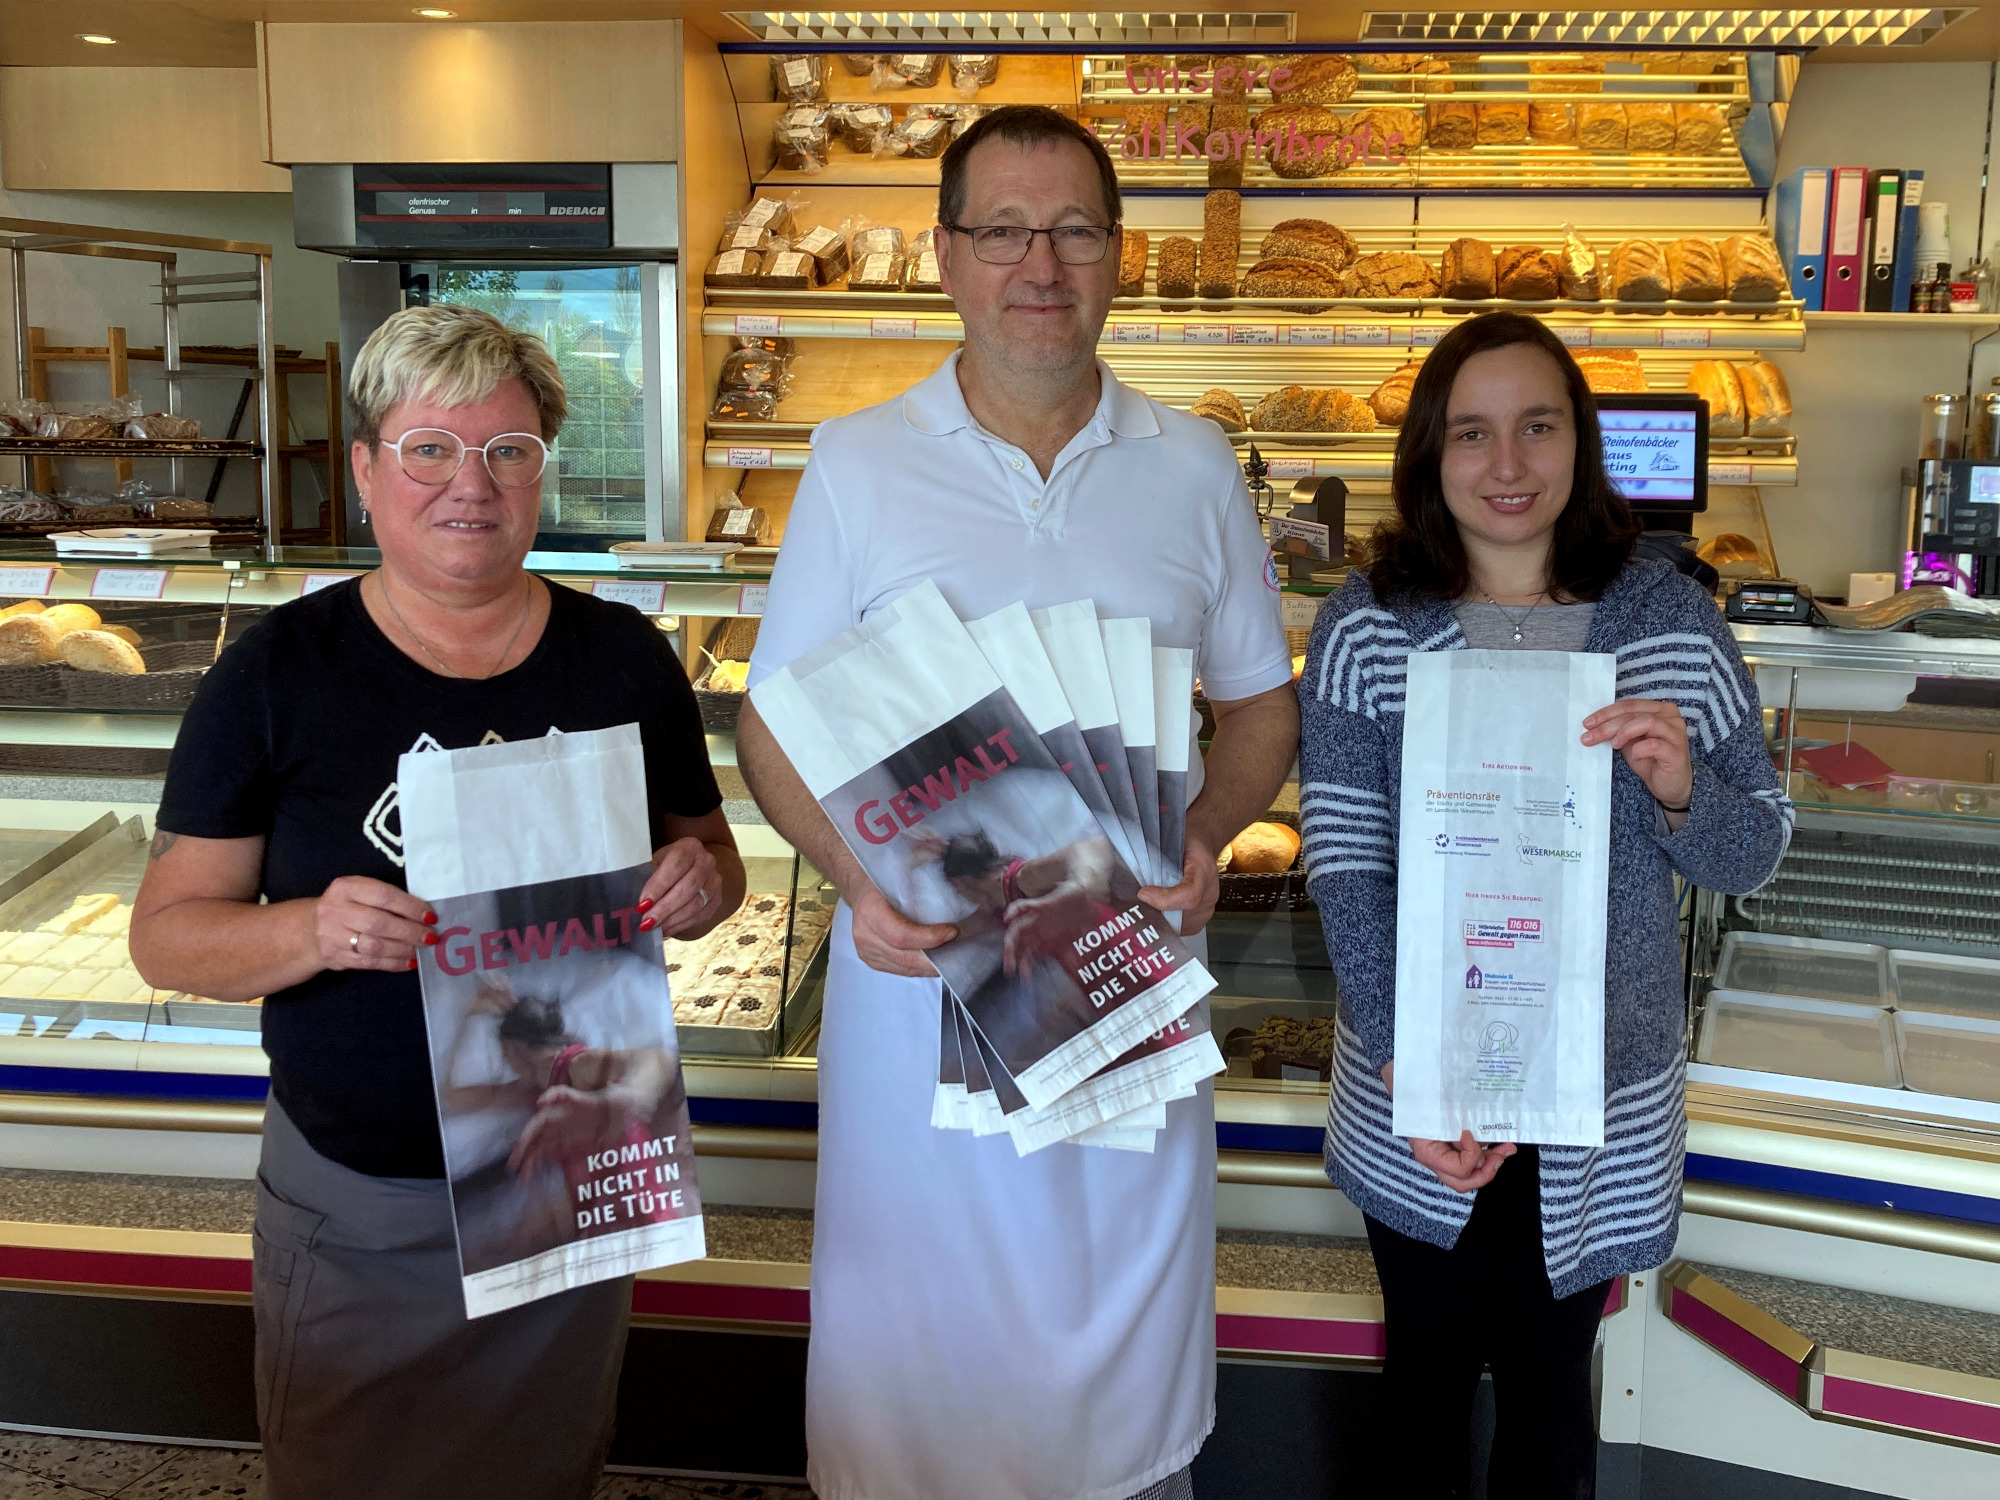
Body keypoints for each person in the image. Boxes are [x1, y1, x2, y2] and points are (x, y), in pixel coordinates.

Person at [737, 104, 1299, 1500]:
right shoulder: (856, 462)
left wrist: (1202, 832)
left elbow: (1260, 708)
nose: (1039, 265)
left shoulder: (1195, 464)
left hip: (1123, 990)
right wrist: (856, 883)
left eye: (1072, 232)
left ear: (1117, 254)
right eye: (1002, 231)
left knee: (1117, 1375)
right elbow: (772, 725)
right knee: (916, 1356)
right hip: (915, 996)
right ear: (945, 255)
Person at [128, 303, 745, 1500]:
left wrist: (700, 883)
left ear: (540, 472)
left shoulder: (623, 656)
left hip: (570, 1168)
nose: (472, 483)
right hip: (366, 1199)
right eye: (429, 449)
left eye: (508, 450)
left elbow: (707, 854)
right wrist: (313, 928)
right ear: (366, 470)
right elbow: (167, 938)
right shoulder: (275, 672)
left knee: (546, 1467)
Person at [1297, 311, 1794, 1498]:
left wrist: (1680, 789)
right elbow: (1345, 863)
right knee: (1420, 1393)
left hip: (1597, 1102)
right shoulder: (1367, 625)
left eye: (1537, 427)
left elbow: (1757, 849)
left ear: (1580, 441)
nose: (1506, 465)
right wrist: (1414, 1069)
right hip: (1418, 1097)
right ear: (1429, 452)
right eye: (1471, 433)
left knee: (1547, 1401)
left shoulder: (1669, 623)